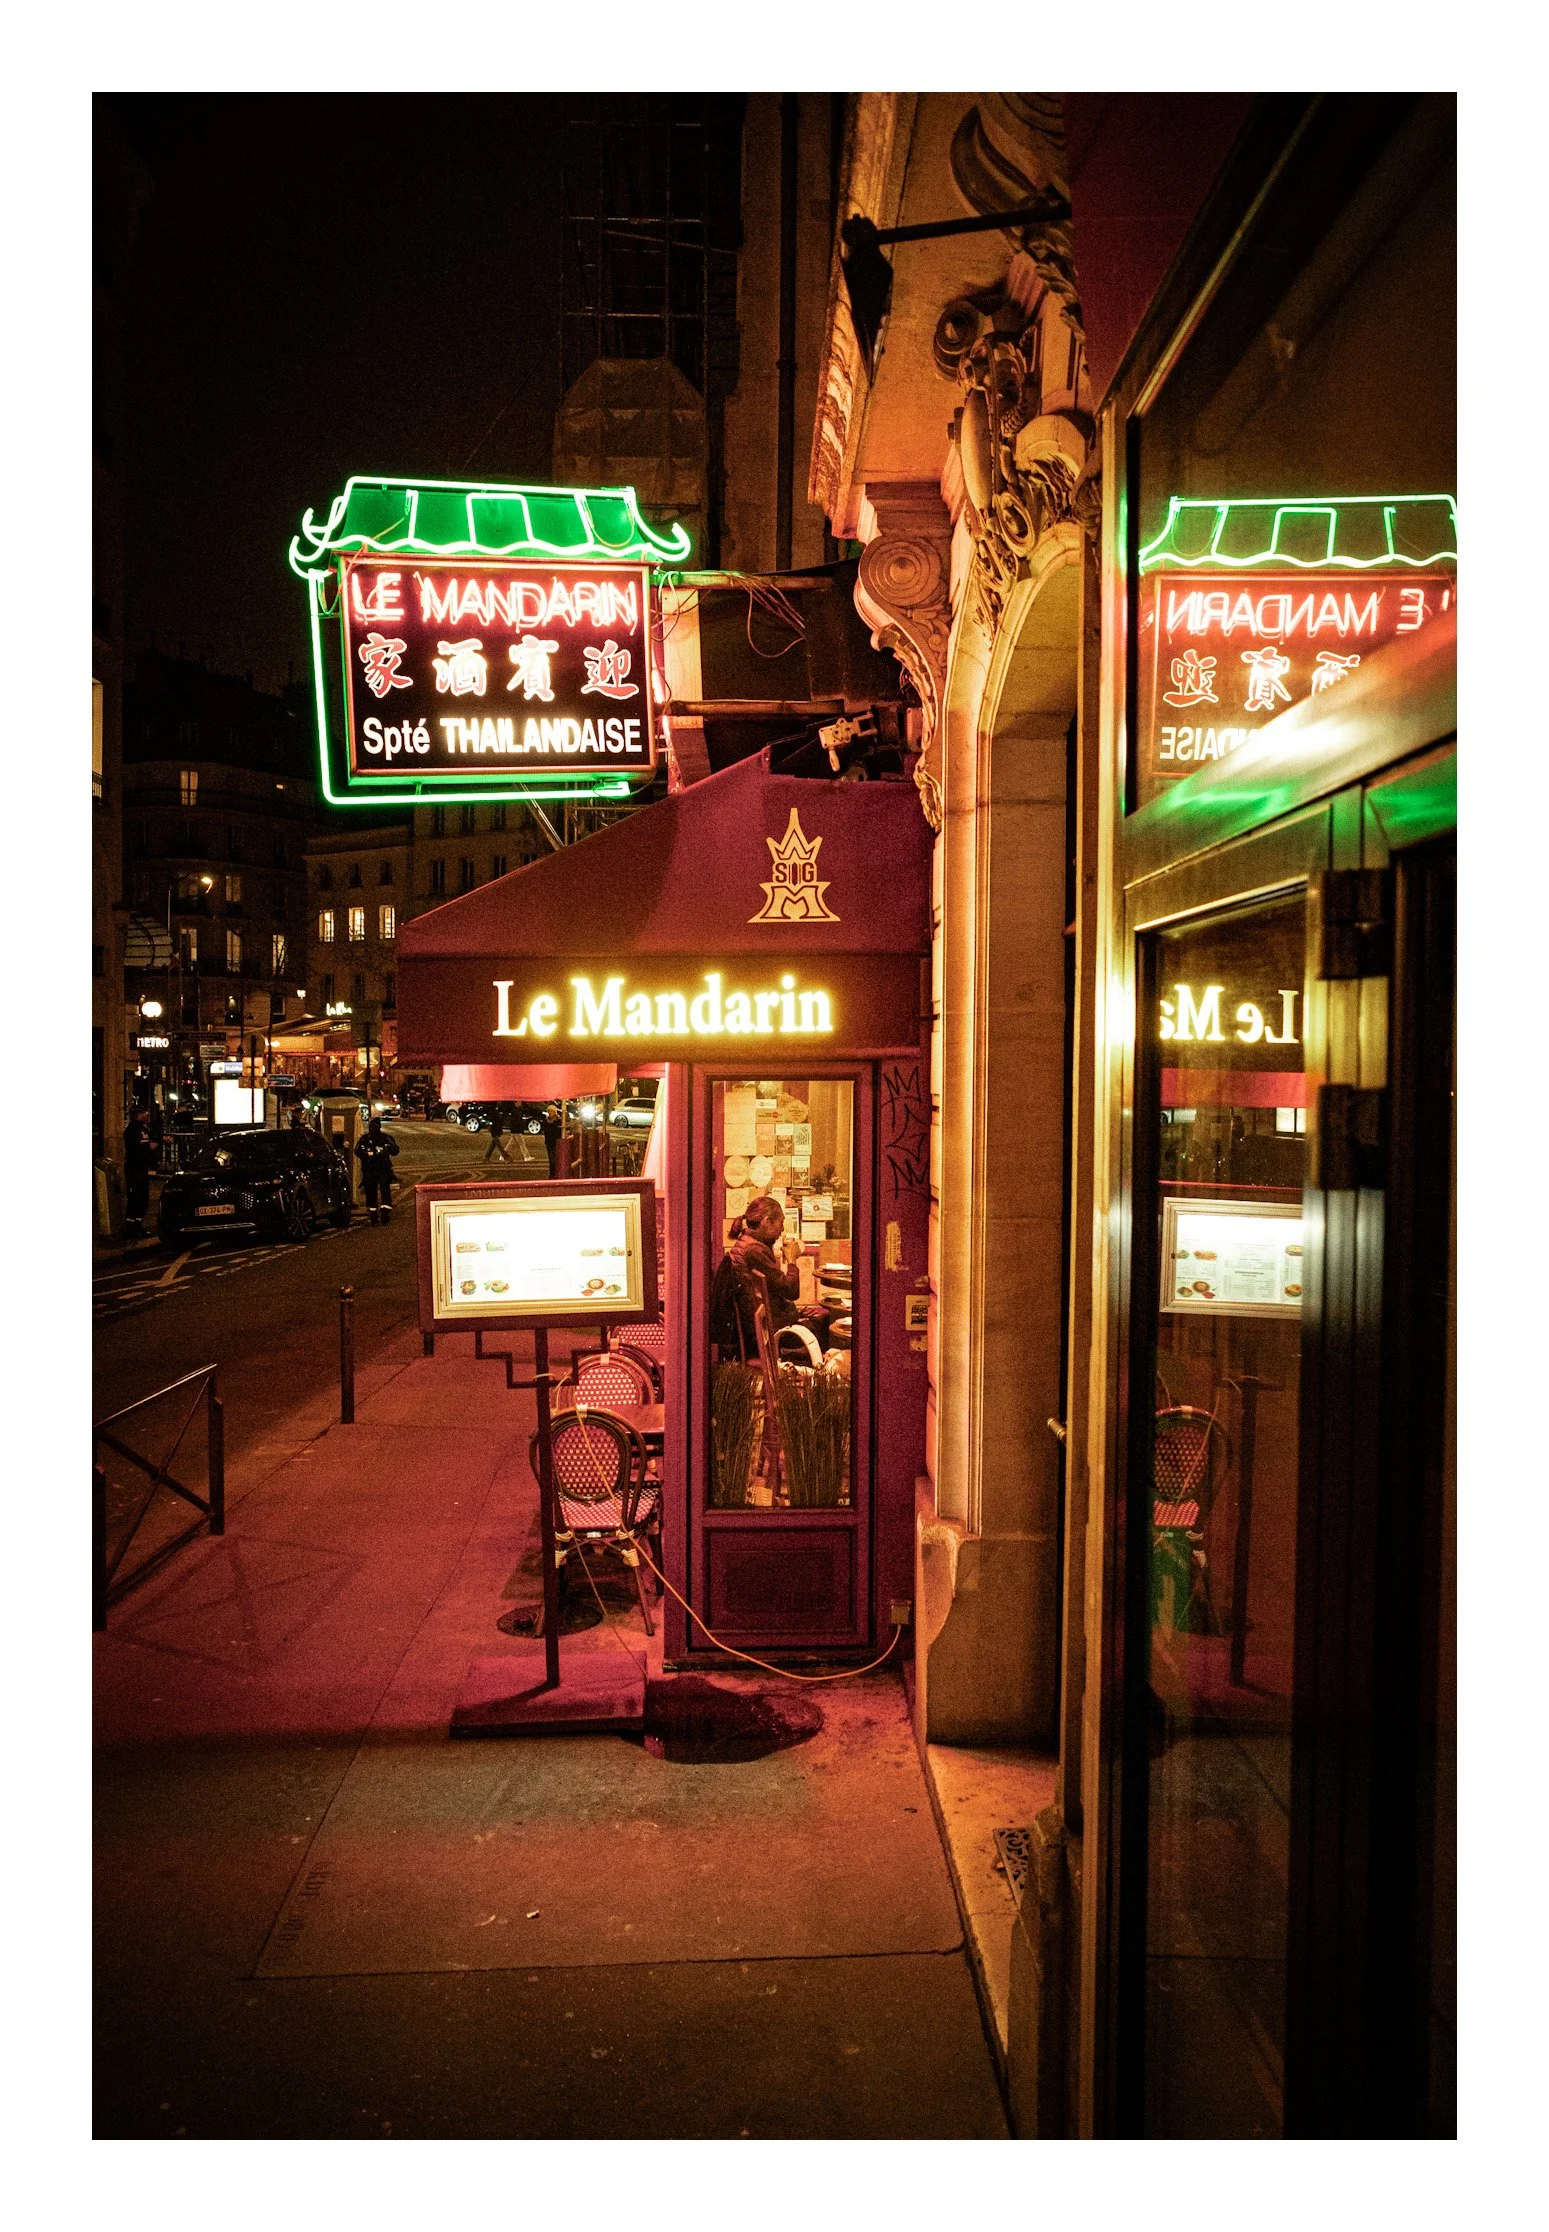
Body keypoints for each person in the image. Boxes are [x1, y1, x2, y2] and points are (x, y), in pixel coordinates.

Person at [711, 1194, 832, 1359]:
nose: (782, 1229)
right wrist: (792, 1260)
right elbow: (791, 1290)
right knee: (828, 1323)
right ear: (767, 1222)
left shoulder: (745, 1244)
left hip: (764, 1327)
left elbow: (774, 1293)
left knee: (818, 1317)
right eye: (781, 1223)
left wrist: (796, 1311)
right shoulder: (755, 1251)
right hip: (769, 1333)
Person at [355, 1115, 399, 1224]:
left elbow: (395, 1151)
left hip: (381, 1169)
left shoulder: (384, 1138)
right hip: (372, 1169)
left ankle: (382, 1213)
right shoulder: (366, 1139)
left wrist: (387, 1147)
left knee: (381, 1191)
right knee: (373, 1192)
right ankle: (375, 1213)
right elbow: (357, 1151)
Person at [122, 1110, 159, 1237]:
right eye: (144, 1113)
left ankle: (138, 1225)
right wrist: (148, 1147)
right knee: (135, 1197)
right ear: (138, 1115)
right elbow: (134, 1148)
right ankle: (131, 1227)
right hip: (134, 1168)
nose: (147, 1115)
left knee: (143, 1197)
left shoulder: (143, 1129)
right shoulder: (131, 1130)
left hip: (142, 1168)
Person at [539, 1102, 562, 1178]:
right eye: (549, 1111)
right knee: (551, 1159)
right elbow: (545, 1131)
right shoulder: (546, 1121)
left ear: (555, 1112)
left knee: (555, 1159)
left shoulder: (558, 1121)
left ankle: (556, 1173)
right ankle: (552, 1174)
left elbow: (559, 1132)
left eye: (552, 1111)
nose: (550, 1112)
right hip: (549, 1142)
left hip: (556, 1142)